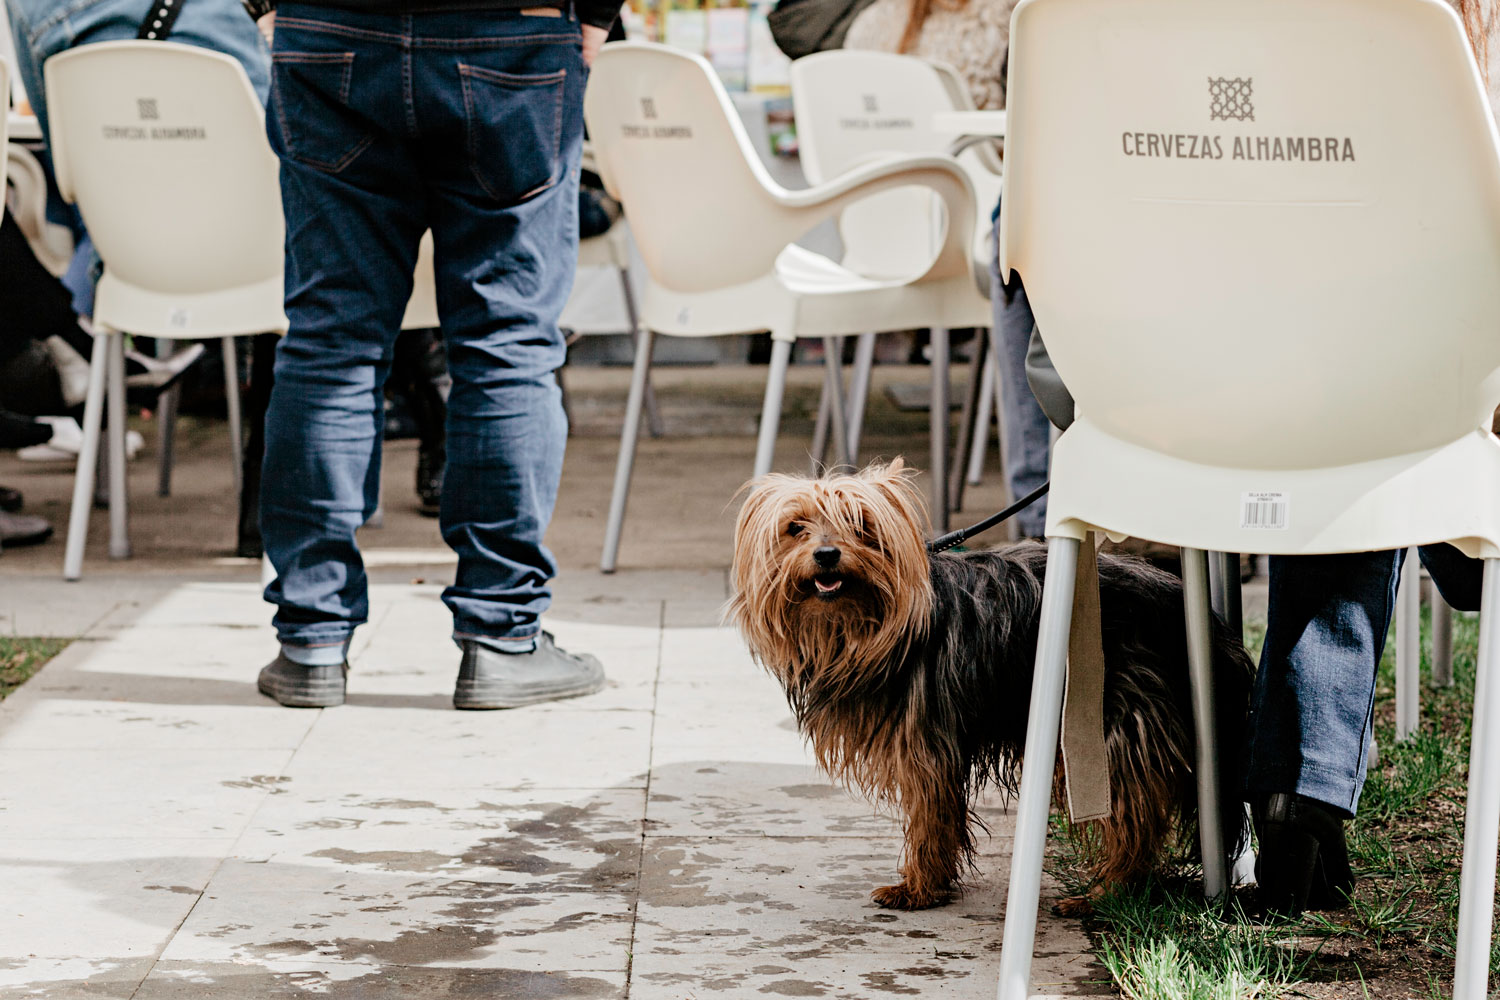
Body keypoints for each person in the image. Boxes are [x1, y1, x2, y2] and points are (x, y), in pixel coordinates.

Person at [250, 0, 614, 711]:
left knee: (330, 339)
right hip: (513, 31)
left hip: (331, 29)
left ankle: (311, 641)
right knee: (506, 340)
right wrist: (595, 12)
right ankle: (502, 638)